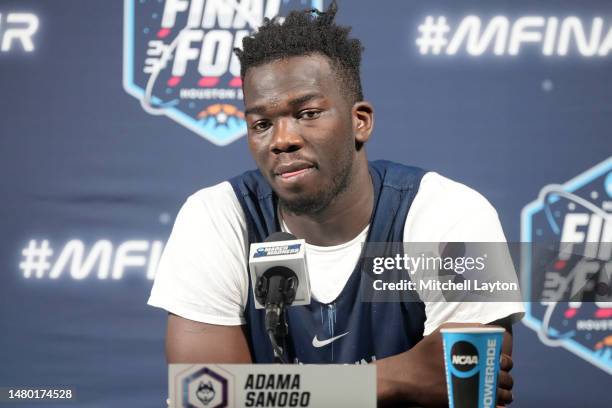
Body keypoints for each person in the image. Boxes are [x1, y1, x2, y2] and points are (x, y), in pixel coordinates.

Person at [148, 2, 523, 406]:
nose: (281, 139)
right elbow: (204, 395)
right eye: (261, 124)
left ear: (360, 121)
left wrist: (264, 394)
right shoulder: (216, 216)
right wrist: (392, 377)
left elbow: (469, 387)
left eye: (307, 113)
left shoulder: (451, 212)